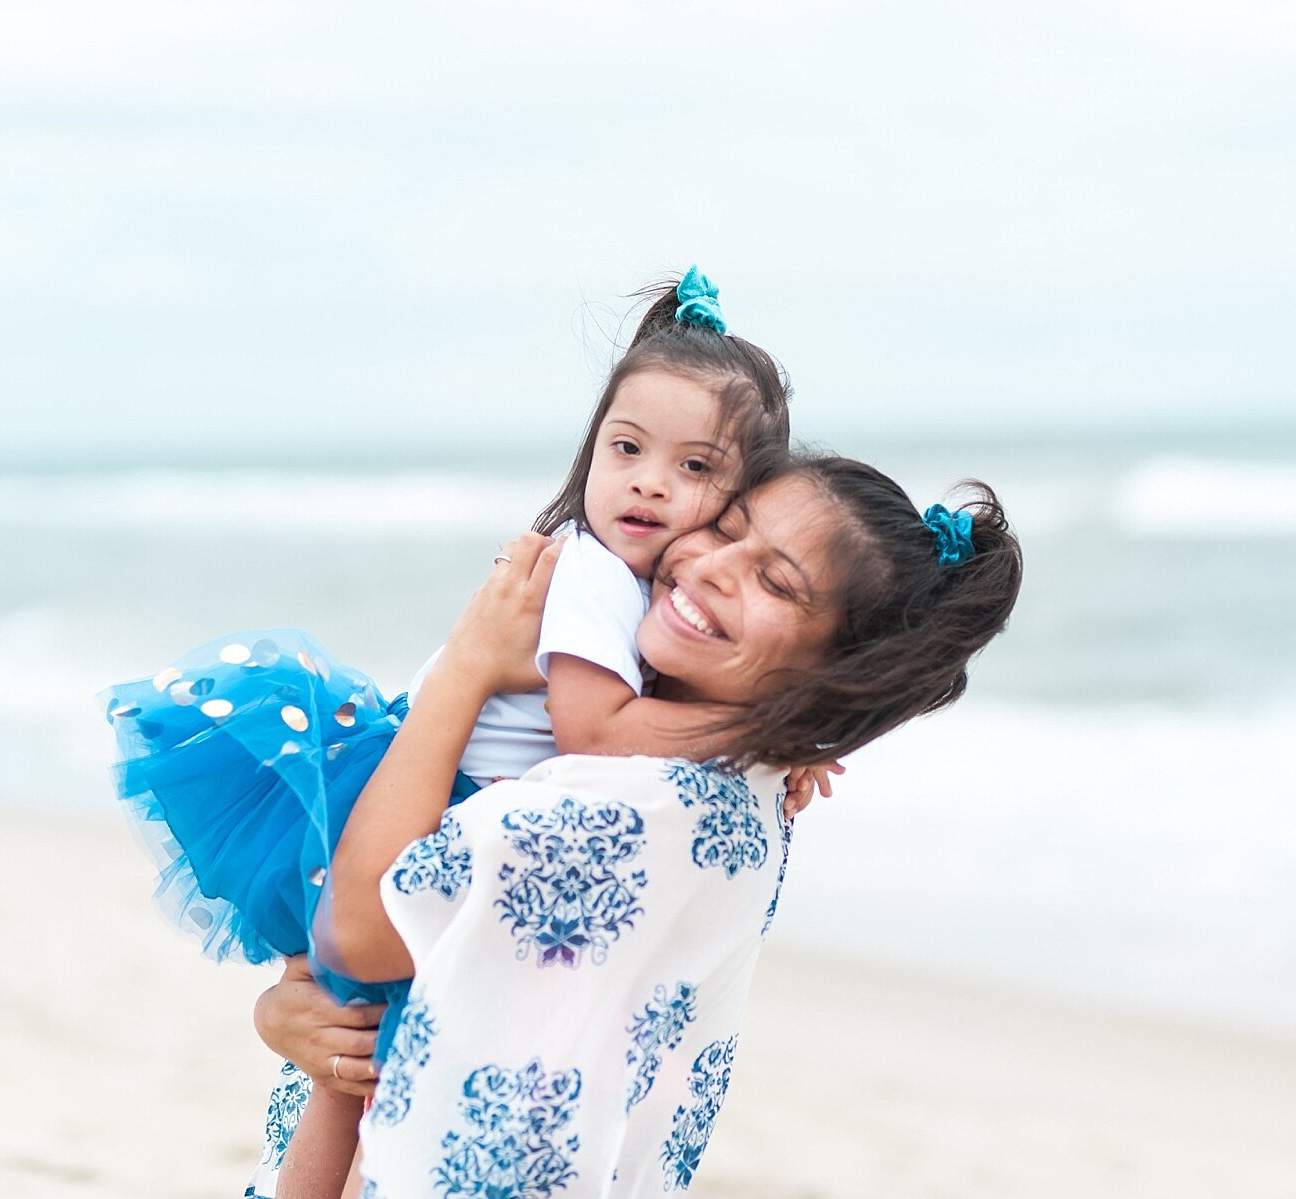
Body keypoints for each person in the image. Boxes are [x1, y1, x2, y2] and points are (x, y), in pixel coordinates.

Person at [100, 268, 832, 1199]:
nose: (649, 480)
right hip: (431, 797)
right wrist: (759, 726)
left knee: (354, 1060)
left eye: (694, 468)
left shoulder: (641, 600)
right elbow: (594, 729)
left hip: (424, 798)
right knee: (365, 1057)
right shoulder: (596, 577)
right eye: (627, 448)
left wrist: (785, 739)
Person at [254, 455, 1024, 1198]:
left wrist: (470, 661)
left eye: (774, 580)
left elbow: (363, 934)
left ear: (836, 668)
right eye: (727, 528)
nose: (716, 565)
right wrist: (295, 1018)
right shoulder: (724, 766)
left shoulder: (638, 805)